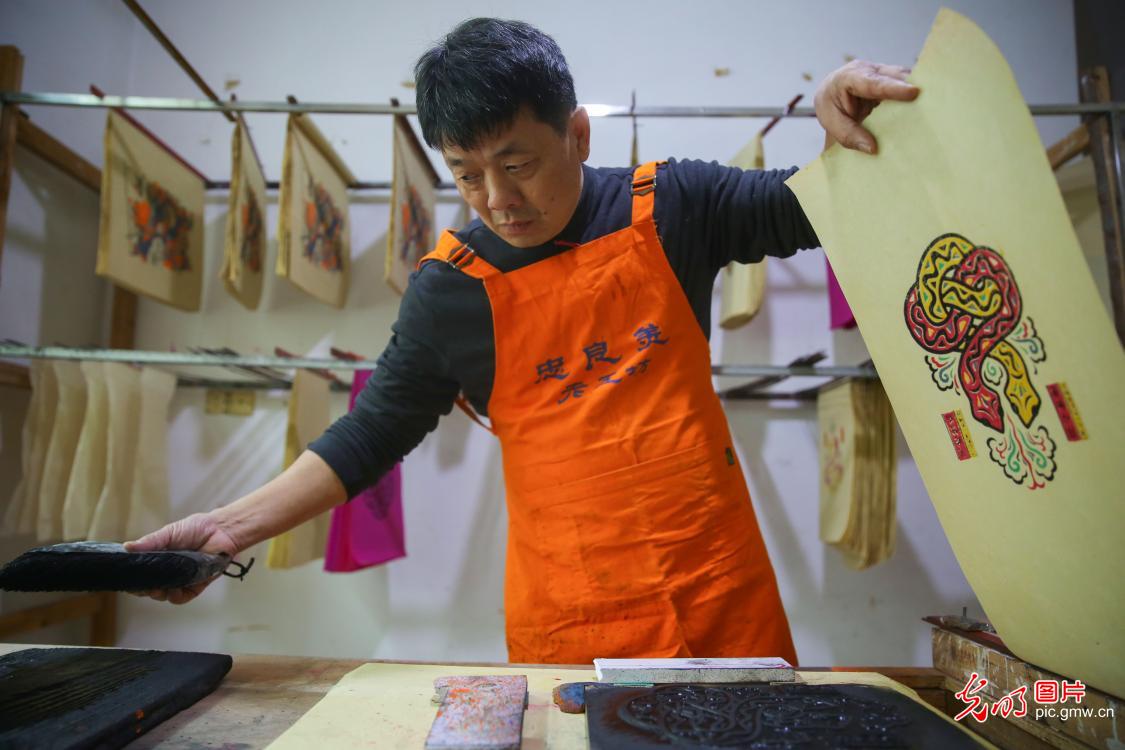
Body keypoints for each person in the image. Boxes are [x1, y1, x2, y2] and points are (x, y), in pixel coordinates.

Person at [127, 18, 918, 665]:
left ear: (575, 132)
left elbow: (814, 207)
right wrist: (228, 528)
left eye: (518, 163)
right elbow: (369, 434)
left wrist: (840, 113)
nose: (498, 200)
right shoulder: (450, 288)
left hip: (716, 587)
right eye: (467, 174)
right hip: (571, 612)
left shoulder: (672, 205)